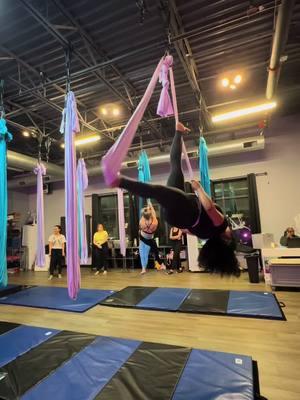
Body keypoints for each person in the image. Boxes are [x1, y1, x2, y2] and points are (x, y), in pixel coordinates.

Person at [108, 121, 240, 276]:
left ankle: (118, 181)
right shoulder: (206, 236)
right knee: (175, 168)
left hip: (186, 207)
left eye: (232, 234)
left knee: (159, 190)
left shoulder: (220, 225)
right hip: (176, 217)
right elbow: (187, 230)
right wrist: (182, 224)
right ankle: (179, 131)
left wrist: (199, 189)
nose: (232, 230)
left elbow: (209, 208)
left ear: (227, 238)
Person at [139, 202, 165, 274]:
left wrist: (147, 209)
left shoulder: (142, 222)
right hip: (149, 239)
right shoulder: (154, 222)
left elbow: (144, 216)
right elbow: (152, 210)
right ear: (150, 215)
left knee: (143, 254)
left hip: (142, 238)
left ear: (143, 216)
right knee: (149, 253)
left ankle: (144, 269)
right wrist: (150, 204)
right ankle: (144, 268)